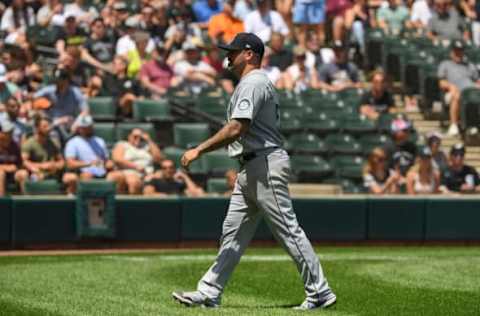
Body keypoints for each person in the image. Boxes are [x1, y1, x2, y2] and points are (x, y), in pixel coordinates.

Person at [173, 32, 336, 310]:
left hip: (264, 163)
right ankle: (209, 291)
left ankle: (320, 291)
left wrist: (199, 150)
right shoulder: (250, 83)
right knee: (232, 233)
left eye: (233, 51)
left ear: (249, 54)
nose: (228, 55)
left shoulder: (254, 82)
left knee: (287, 230)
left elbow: (238, 128)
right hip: (251, 166)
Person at [62, 115, 122, 195]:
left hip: (102, 172)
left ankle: (114, 204)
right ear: (79, 128)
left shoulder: (99, 141)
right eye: (84, 128)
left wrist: (109, 164)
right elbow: (70, 164)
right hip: (83, 173)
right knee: (87, 176)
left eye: (89, 127)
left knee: (118, 176)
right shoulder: (73, 142)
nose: (87, 130)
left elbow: (106, 160)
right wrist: (90, 164)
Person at [437, 40, 480, 136]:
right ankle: (454, 125)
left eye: (460, 50)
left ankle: (475, 125)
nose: (458, 53)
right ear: (451, 51)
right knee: (456, 95)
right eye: (456, 50)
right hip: (452, 92)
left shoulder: (469, 65)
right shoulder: (445, 64)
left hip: (470, 92)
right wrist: (451, 86)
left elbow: (477, 80)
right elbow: (441, 82)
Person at [111, 128, 163, 194]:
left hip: (147, 174)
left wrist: (149, 141)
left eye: (140, 137)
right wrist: (136, 166)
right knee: (133, 181)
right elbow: (117, 159)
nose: (138, 139)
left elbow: (159, 159)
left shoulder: (147, 146)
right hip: (128, 172)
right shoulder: (123, 145)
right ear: (129, 136)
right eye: (135, 136)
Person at [21, 116, 64, 182]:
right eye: (45, 126)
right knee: (35, 177)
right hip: (36, 173)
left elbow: (61, 160)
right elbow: (24, 162)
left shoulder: (54, 143)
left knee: (70, 177)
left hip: (53, 172)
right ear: (37, 128)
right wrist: (41, 166)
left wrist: (56, 165)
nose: (48, 129)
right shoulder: (29, 143)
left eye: (49, 126)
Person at [0, 119, 28, 196]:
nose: (9, 135)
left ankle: (24, 203)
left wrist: (16, 167)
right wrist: (5, 167)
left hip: (12, 174)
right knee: (0, 174)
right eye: (7, 132)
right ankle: (2, 204)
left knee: (23, 174)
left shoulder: (14, 146)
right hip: (1, 173)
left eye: (11, 132)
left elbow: (20, 164)